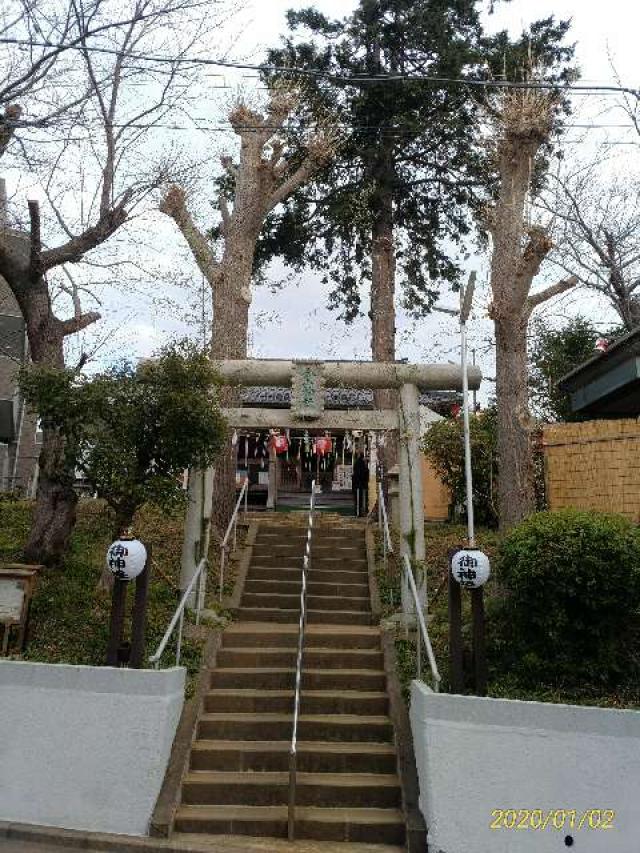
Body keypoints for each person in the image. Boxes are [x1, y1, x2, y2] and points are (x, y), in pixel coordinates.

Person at [352, 451, 369, 517]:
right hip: (362, 484)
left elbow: (356, 473)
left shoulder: (356, 463)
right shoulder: (362, 464)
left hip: (356, 484)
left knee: (357, 500)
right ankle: (360, 512)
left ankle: (357, 512)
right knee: (361, 499)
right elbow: (365, 473)